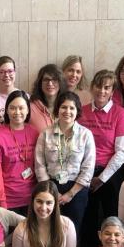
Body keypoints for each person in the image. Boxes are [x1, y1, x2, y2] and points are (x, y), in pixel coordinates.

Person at [80, 69, 124, 247]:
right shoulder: (82, 111)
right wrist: (87, 175)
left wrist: (101, 178)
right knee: (87, 220)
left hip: (111, 174)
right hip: (85, 172)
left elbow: (121, 153)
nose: (101, 91)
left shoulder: (121, 114)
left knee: (112, 219)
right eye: (98, 86)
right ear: (92, 87)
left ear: (112, 91)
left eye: (106, 88)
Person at [34, 92, 95, 229]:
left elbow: (88, 168)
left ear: (77, 111)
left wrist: (70, 194)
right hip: (51, 188)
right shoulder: (45, 134)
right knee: (50, 229)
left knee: (73, 230)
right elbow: (40, 166)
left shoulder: (86, 135)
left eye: (72, 108)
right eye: (63, 107)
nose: (67, 111)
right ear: (57, 109)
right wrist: (51, 192)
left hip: (77, 190)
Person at [0, 91, 39, 214]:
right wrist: (1, 203)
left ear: (27, 110)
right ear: (6, 110)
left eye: (21, 108)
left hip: (33, 199)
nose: (17, 112)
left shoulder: (35, 133)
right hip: (9, 201)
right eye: (12, 108)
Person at [27, 64, 63, 134]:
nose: (50, 83)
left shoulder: (66, 107)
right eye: (46, 79)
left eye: (54, 79)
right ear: (40, 83)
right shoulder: (29, 108)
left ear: (60, 83)